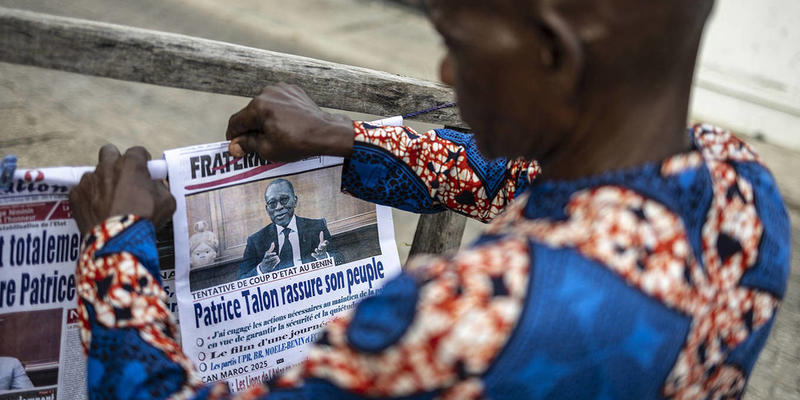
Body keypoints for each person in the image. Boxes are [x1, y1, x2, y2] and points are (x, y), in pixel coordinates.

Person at [68, 0, 791, 398]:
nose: (444, 68)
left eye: (454, 38)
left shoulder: (468, 317)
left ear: (552, 52)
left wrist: (116, 249)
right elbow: (522, 179)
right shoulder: (743, 191)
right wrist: (342, 137)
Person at [238, 179, 334, 279]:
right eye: (272, 203)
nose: (279, 207)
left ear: (295, 201)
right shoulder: (255, 241)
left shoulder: (317, 227)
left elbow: (340, 259)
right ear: (267, 209)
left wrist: (324, 258)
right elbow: (241, 281)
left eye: (284, 199)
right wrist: (262, 269)